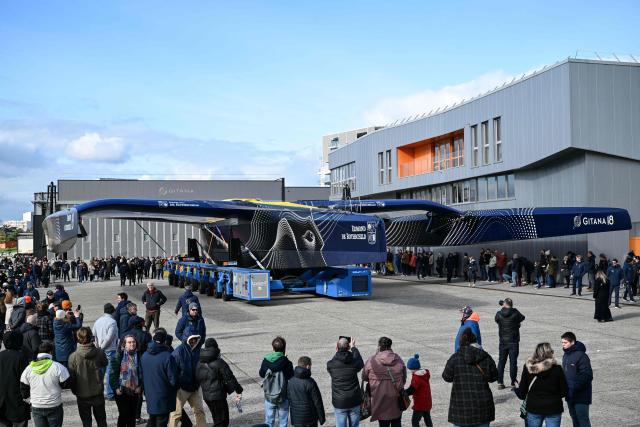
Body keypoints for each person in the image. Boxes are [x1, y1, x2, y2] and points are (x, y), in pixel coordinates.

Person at [442, 328, 498, 427]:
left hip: (461, 408)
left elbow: (446, 377)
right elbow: (494, 377)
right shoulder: (484, 356)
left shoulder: (455, 358)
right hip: (482, 407)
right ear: (475, 340)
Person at [514, 343, 568, 427]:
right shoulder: (557, 369)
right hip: (553, 408)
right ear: (550, 353)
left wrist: (516, 388)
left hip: (534, 408)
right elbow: (564, 391)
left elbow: (522, 394)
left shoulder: (528, 368)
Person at [20, 341, 71, 427]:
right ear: (51, 352)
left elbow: (24, 390)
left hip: (36, 406)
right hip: (54, 405)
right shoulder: (58, 367)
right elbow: (66, 384)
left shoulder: (28, 369)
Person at [196, 337, 243, 427]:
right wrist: (239, 390)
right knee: (223, 422)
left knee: (218, 420)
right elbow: (230, 378)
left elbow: (197, 378)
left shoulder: (199, 362)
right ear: (216, 348)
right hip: (218, 397)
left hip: (207, 397)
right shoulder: (219, 362)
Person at [68, 327, 109, 427]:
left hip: (82, 394)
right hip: (97, 392)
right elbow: (105, 363)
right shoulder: (99, 352)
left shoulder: (73, 356)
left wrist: (75, 390)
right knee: (101, 421)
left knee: (86, 422)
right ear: (91, 337)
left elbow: (72, 379)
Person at [362, 336, 407, 427]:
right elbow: (404, 378)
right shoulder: (398, 359)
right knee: (397, 422)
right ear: (390, 346)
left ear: (379, 346)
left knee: (383, 423)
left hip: (379, 398)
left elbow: (364, 377)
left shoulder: (372, 360)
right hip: (396, 398)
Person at [141, 330, 179, 427]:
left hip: (150, 395)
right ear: (164, 341)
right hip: (164, 395)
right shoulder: (167, 356)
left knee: (152, 420)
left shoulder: (144, 356)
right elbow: (173, 379)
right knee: (161, 422)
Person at [168, 334, 206, 427]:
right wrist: (175, 386)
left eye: (195, 339)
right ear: (186, 339)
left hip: (195, 388)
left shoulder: (198, 351)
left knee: (199, 411)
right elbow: (171, 370)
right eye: (191, 339)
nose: (194, 341)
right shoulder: (178, 352)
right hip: (181, 389)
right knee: (176, 414)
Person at [326, 337, 364, 427]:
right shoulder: (354, 362)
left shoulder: (330, 364)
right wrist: (353, 348)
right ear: (348, 347)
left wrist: (338, 350)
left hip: (339, 401)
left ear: (337, 347)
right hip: (354, 400)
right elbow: (360, 363)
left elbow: (333, 362)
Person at [259, 336, 295, 427]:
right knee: (283, 423)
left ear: (273, 347)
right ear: (284, 348)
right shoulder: (286, 362)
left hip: (269, 396)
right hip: (283, 396)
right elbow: (291, 376)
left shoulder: (266, 360)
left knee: (269, 422)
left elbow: (261, 374)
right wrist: (285, 359)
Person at [109, 335, 144, 427]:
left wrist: (140, 386)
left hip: (135, 390)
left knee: (132, 415)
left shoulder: (140, 355)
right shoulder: (118, 356)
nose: (132, 344)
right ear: (124, 344)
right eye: (129, 342)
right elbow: (112, 374)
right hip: (122, 389)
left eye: (133, 342)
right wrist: (116, 387)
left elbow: (143, 373)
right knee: (124, 414)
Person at [561, 332, 593, 427]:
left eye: (565, 342)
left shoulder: (582, 356)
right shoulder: (566, 355)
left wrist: (573, 386)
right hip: (570, 395)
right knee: (574, 419)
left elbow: (587, 376)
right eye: (562, 342)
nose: (563, 345)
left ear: (572, 342)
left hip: (581, 395)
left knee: (583, 420)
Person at [0, 331, 31, 427]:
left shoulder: (0, 355)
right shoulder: (20, 357)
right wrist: (26, 395)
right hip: (17, 399)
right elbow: (25, 379)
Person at [494, 298, 525, 389]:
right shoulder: (515, 313)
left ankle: (500, 382)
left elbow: (496, 320)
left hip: (503, 341)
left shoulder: (499, 314)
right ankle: (513, 382)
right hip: (513, 342)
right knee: (513, 362)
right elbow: (522, 318)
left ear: (504, 304)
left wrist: (503, 308)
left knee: (501, 362)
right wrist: (513, 310)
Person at [287, 356, 326, 427]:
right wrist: (322, 418)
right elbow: (317, 401)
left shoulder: (291, 381)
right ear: (308, 366)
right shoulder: (310, 382)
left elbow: (289, 398)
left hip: (296, 418)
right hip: (310, 419)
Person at [92, 303, 119, 400]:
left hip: (99, 349)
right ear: (112, 311)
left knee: (101, 371)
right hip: (109, 349)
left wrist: (98, 346)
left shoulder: (98, 320)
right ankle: (110, 393)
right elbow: (110, 337)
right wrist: (102, 347)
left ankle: (98, 391)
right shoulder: (112, 322)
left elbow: (94, 334)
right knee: (109, 371)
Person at [404, 354, 432, 427]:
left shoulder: (417, 378)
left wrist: (404, 392)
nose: (410, 371)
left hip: (420, 404)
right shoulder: (424, 374)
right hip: (427, 401)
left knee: (415, 421)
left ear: (413, 368)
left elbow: (412, 390)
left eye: (410, 369)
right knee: (427, 418)